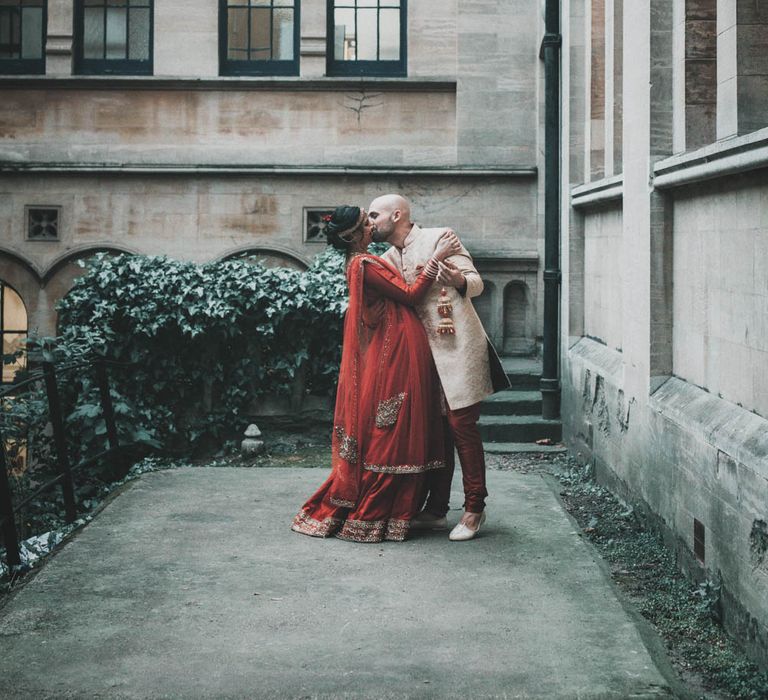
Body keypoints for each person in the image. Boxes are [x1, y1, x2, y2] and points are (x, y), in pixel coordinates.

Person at [291, 205, 462, 543]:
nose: (371, 224)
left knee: (403, 422)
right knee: (395, 426)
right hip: (399, 350)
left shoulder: (361, 262)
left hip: (399, 344)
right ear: (352, 235)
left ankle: (423, 506)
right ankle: (389, 508)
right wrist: (437, 257)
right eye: (365, 222)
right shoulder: (365, 264)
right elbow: (412, 295)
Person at [368, 194, 510, 541]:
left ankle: (475, 508)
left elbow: (476, 283)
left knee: (463, 427)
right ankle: (435, 509)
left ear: (396, 214)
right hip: (418, 358)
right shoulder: (385, 259)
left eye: (374, 214)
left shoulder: (440, 237)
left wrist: (457, 279)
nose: (369, 222)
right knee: (434, 432)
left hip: (459, 349)